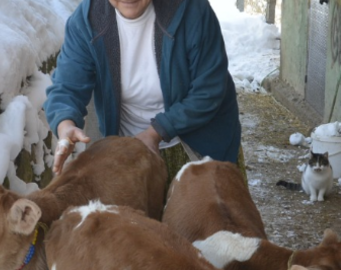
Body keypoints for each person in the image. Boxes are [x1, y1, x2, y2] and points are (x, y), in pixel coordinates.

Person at [44, 0, 243, 179]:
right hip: (127, 145)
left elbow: (208, 90)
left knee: (207, 215)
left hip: (197, 141)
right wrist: (65, 124)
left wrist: (156, 132)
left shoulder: (192, 11)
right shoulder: (87, 20)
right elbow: (67, 85)